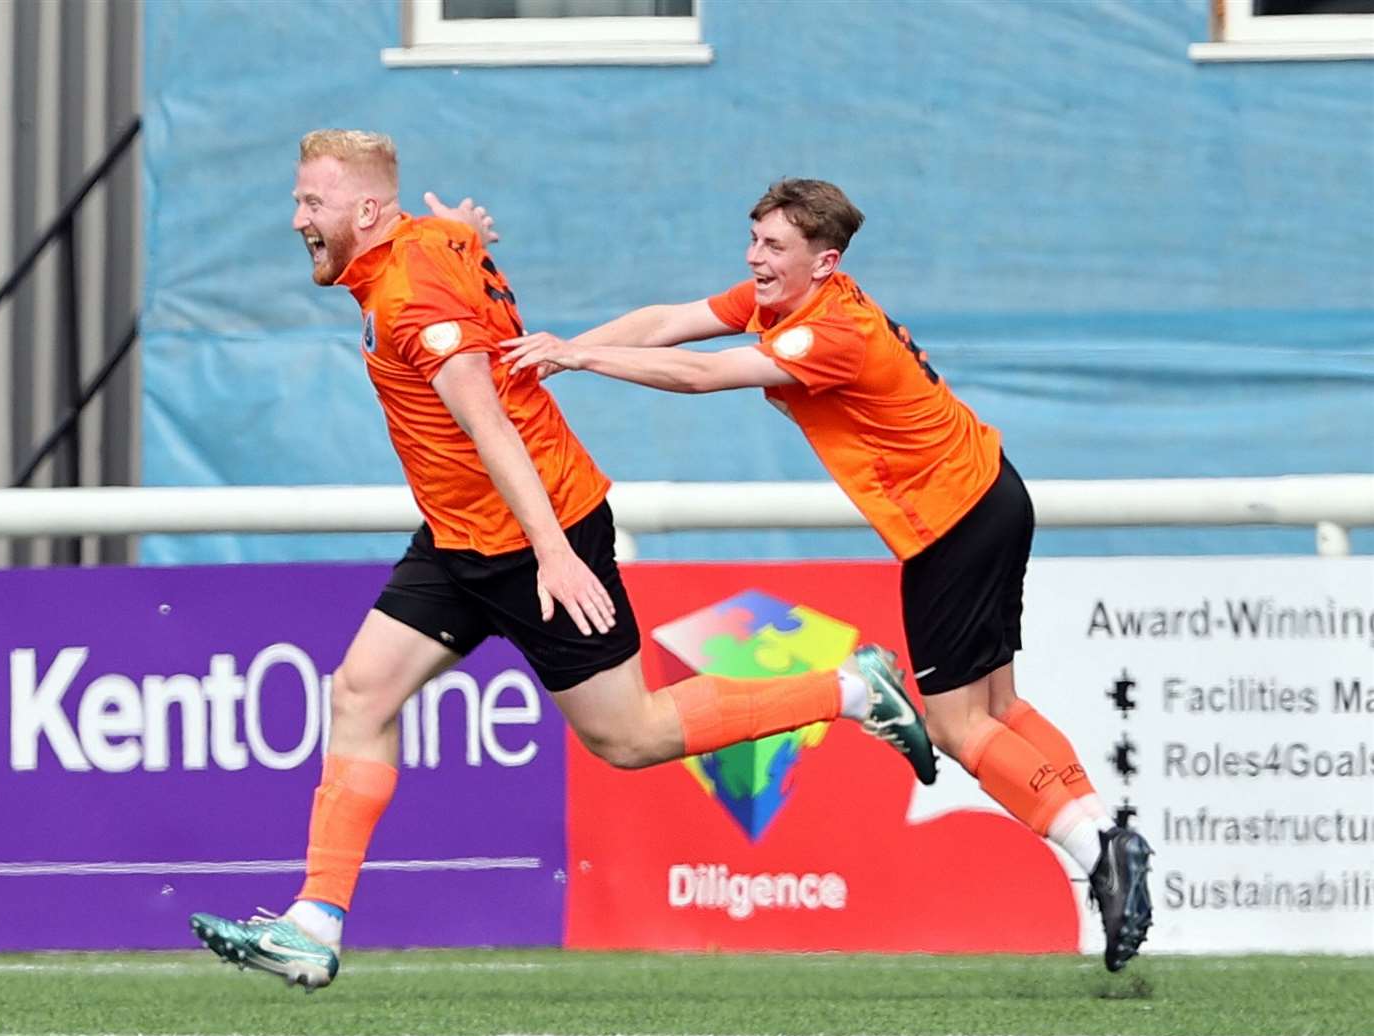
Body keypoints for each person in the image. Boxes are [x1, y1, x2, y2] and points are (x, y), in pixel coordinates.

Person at [189, 137, 937, 991]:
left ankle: (847, 689)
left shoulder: (410, 304)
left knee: (630, 736)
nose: (296, 220)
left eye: (309, 205)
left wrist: (554, 553)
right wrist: (464, 228)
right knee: (359, 693)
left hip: (541, 530)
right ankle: (313, 924)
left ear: (365, 213)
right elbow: (458, 241)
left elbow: (490, 428)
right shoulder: (426, 242)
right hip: (461, 537)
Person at [500, 178, 1154, 972]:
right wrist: (558, 352)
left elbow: (704, 376)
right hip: (986, 497)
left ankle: (1099, 853)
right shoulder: (788, 299)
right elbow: (670, 323)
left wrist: (579, 355)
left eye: (773, 246)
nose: (755, 257)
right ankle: (1103, 842)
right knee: (999, 706)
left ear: (825, 260)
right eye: (754, 239)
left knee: (955, 726)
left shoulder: (828, 333)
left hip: (953, 522)